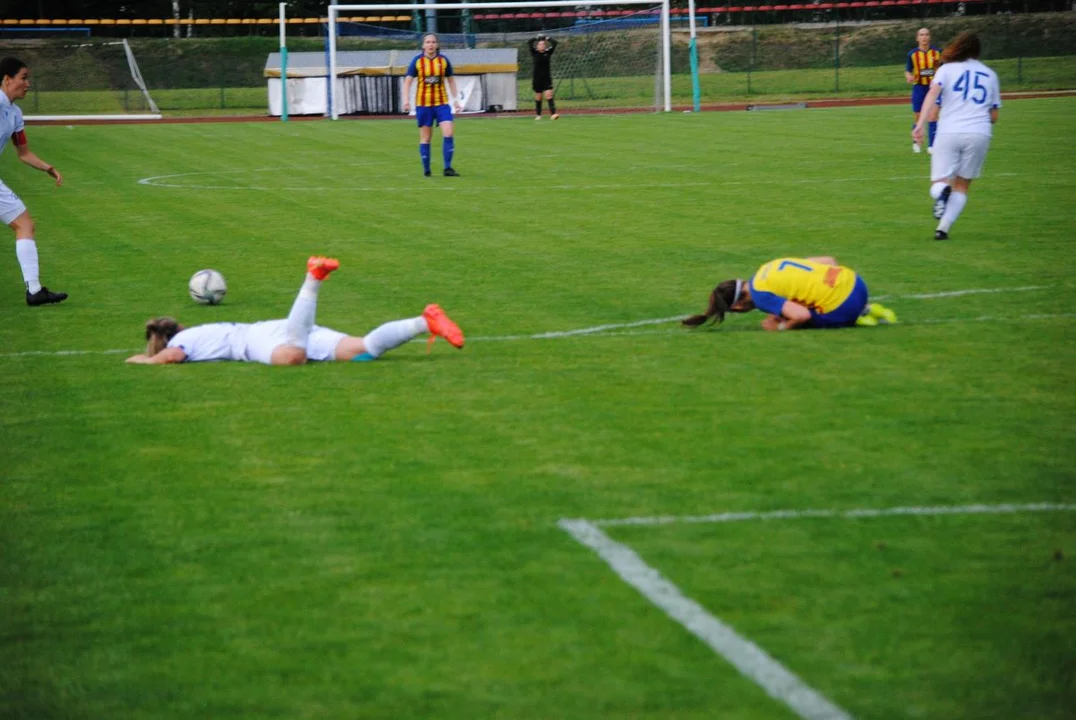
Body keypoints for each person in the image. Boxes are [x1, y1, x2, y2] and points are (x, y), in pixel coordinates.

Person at [126, 256, 464, 365]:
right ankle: (426, 321)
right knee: (364, 351)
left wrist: (144, 360)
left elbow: (172, 357)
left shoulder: (182, 343)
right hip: (279, 327)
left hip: (252, 339)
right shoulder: (195, 332)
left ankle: (313, 278)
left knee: (292, 358)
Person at [912, 31, 1001, 241]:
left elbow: (932, 96)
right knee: (962, 185)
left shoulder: (946, 69)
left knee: (939, 182)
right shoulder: (990, 75)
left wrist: (919, 125)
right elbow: (995, 116)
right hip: (979, 133)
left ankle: (942, 192)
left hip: (949, 130)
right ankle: (942, 229)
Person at [1, 57, 67, 306]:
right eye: (23, 78)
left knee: (24, 224)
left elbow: (23, 153)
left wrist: (47, 167)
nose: (28, 83)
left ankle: (36, 291)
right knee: (24, 224)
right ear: (7, 80)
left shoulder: (15, 113)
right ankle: (35, 291)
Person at [682, 256, 897, 332]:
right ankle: (869, 307)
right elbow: (829, 261)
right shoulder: (769, 266)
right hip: (857, 283)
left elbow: (802, 315)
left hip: (844, 306)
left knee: (806, 319)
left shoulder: (760, 296)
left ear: (737, 307)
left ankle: (858, 317)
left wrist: (781, 326)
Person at [402, 34, 463, 178]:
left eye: (433, 42)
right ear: (423, 45)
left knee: (448, 132)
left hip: (441, 104)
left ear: (437, 45)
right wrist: (406, 100)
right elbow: (408, 82)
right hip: (423, 105)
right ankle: (427, 169)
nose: (430, 45)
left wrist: (455, 100)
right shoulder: (417, 61)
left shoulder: (443, 61)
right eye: (428, 42)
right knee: (426, 138)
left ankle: (447, 168)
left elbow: (451, 81)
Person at [904, 28, 941, 155]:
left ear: (930, 37)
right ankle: (917, 142)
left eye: (926, 34)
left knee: (933, 115)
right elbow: (908, 69)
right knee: (919, 117)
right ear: (917, 38)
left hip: (934, 88)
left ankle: (932, 145)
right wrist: (908, 76)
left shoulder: (937, 52)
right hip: (919, 87)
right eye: (921, 35)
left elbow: (943, 68)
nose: (924, 37)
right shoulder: (912, 54)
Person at [529, 35, 559, 120]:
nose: (542, 45)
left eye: (543, 44)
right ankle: (538, 114)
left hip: (546, 78)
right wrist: (536, 38)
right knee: (539, 97)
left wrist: (547, 38)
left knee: (549, 95)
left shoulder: (548, 52)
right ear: (537, 46)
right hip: (537, 78)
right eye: (540, 44)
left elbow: (555, 43)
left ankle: (553, 114)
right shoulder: (534, 53)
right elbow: (529, 42)